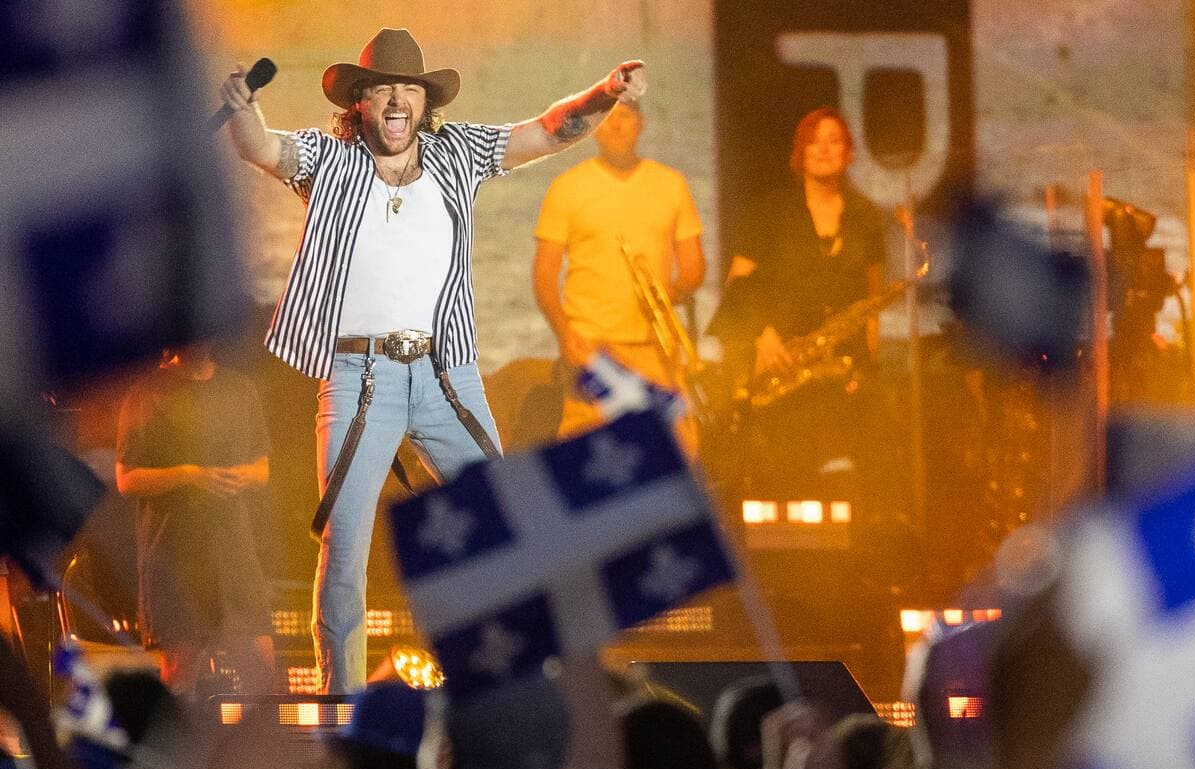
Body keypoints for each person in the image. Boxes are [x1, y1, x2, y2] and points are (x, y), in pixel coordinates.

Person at [218, 27, 647, 693]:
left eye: (407, 91)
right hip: (359, 378)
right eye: (382, 90)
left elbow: (551, 130)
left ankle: (517, 678)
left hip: (445, 374)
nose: (395, 101)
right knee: (343, 551)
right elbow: (260, 148)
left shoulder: (459, 153)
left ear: (424, 102)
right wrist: (244, 108)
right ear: (358, 103)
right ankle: (345, 706)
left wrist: (606, 92)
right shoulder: (327, 160)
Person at [709, 107, 895, 509]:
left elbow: (871, 300)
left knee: (848, 485)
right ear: (800, 151)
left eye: (835, 140)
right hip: (785, 365)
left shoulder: (865, 217)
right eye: (815, 139)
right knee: (790, 480)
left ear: (849, 152)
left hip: (843, 370)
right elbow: (736, 287)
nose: (824, 149)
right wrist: (763, 337)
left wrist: (869, 365)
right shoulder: (770, 212)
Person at [532, 101, 705, 451]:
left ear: (640, 123)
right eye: (606, 119)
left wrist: (669, 292)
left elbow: (695, 266)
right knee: (590, 471)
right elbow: (544, 274)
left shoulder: (671, 184)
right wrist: (565, 333)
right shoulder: (568, 187)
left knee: (676, 465)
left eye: (624, 117)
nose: (615, 126)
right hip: (593, 350)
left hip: (656, 351)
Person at [115, 343, 275, 695]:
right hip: (174, 553)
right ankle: (178, 746)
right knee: (181, 667)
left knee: (260, 661)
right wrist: (189, 475)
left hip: (233, 550)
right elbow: (127, 478)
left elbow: (262, 468)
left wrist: (243, 475)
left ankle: (255, 748)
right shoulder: (147, 393)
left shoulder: (240, 388)